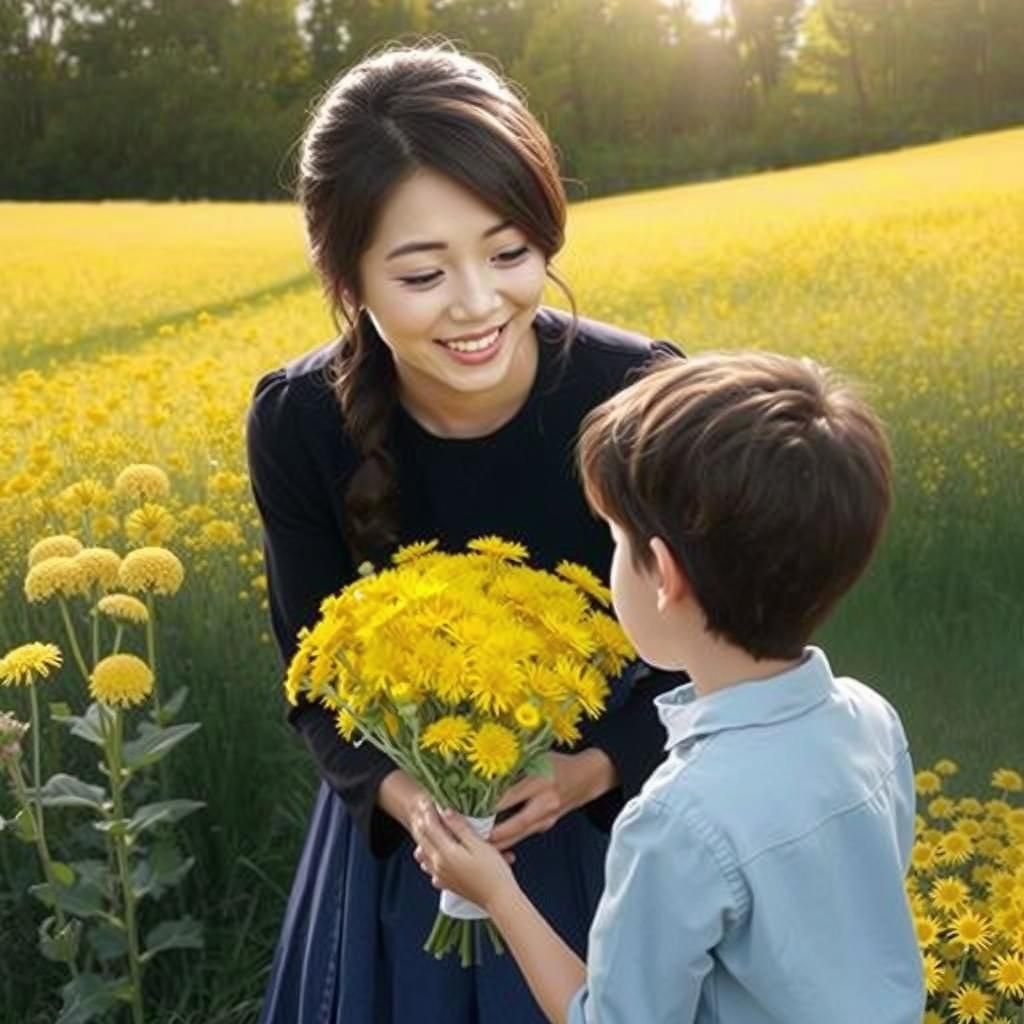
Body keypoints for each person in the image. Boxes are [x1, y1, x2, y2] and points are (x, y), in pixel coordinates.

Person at [245, 42, 685, 1023]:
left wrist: (589, 766)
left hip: (610, 818)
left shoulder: (636, 393)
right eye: (421, 272)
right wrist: (419, 804)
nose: (478, 304)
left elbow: (712, 649)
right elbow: (314, 681)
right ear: (348, 277)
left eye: (508, 253)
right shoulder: (296, 421)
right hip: (406, 841)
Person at [412, 352, 926, 1023]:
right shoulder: (870, 722)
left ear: (663, 574)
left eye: (617, 543)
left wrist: (497, 893)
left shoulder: (677, 819)